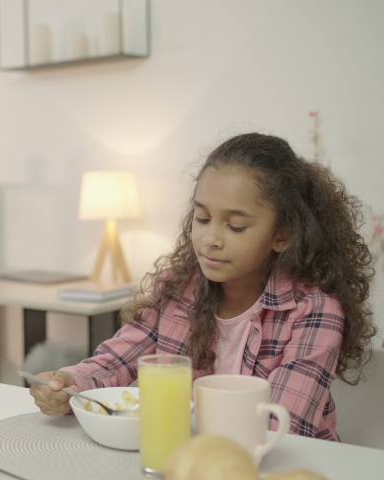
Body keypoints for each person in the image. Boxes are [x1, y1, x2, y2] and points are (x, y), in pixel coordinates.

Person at [29, 133, 377, 441]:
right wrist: (70, 383)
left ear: (282, 236)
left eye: (236, 226)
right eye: (203, 218)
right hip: (188, 455)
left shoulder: (314, 310)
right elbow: (116, 359)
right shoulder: (178, 287)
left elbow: (282, 426)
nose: (210, 239)